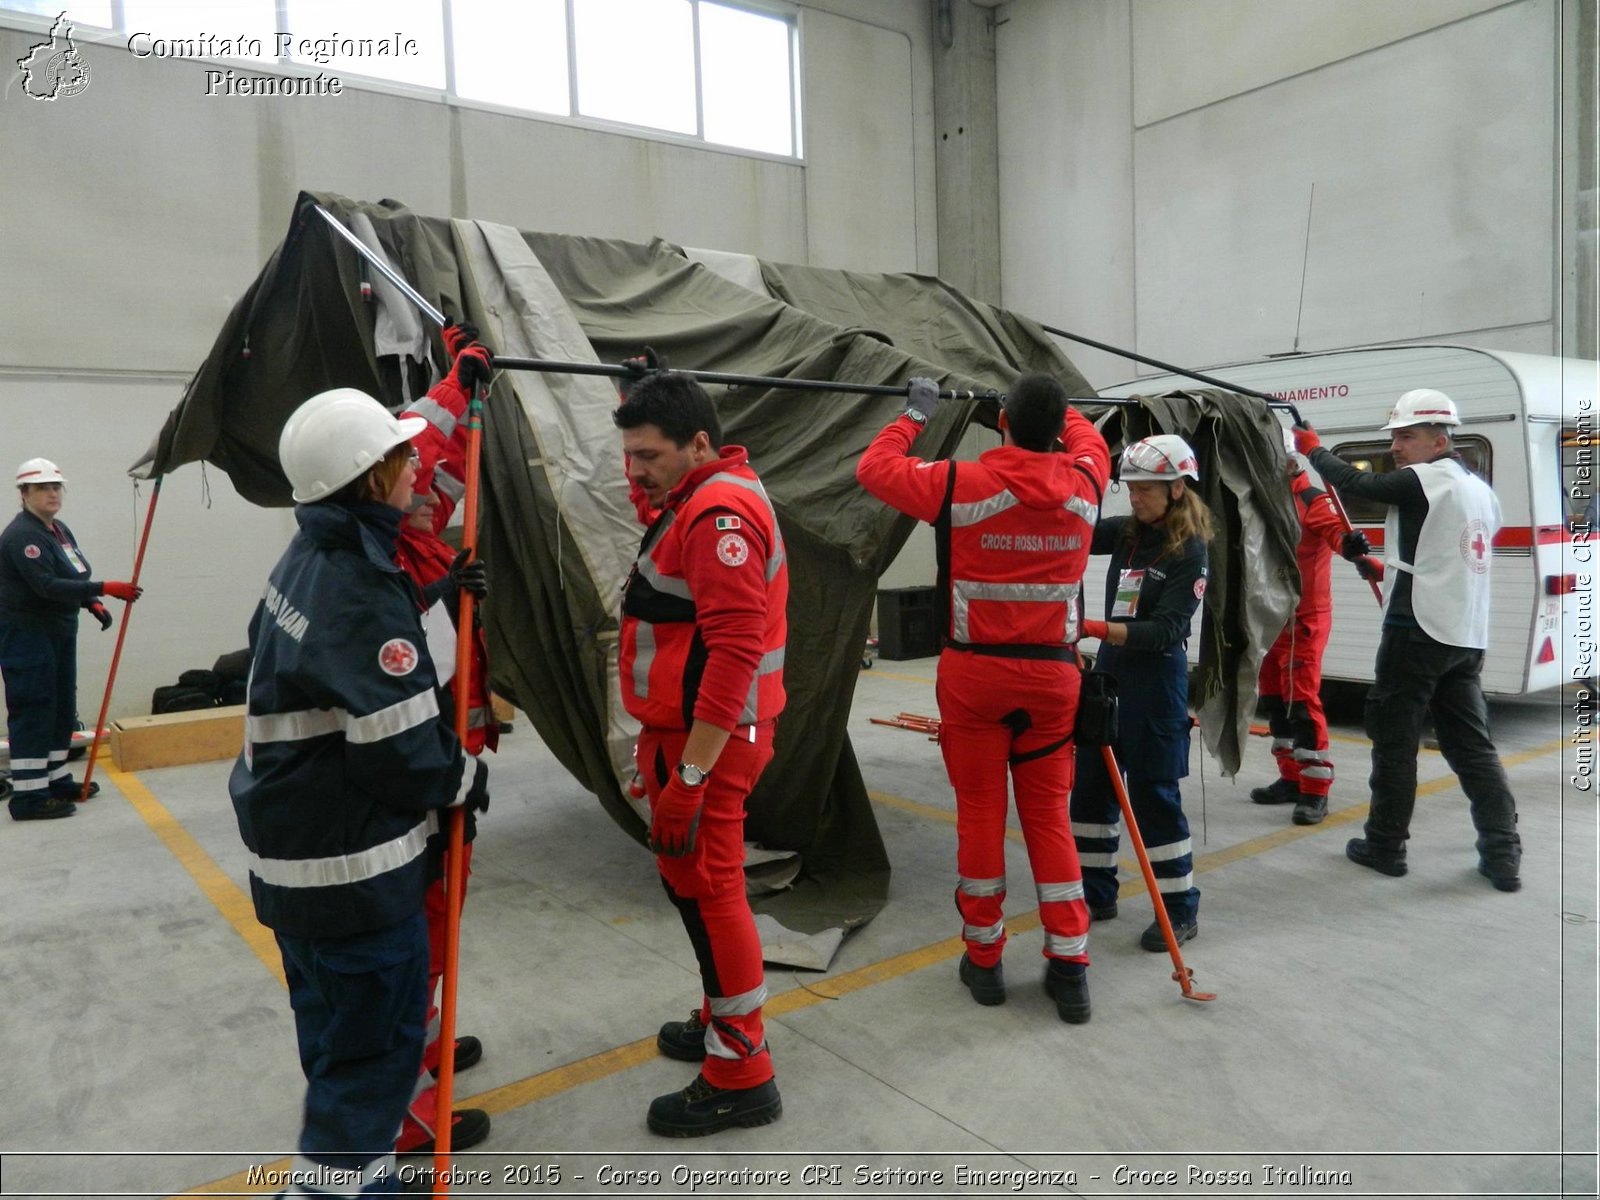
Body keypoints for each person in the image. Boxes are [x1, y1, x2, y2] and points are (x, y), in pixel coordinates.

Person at [229, 388, 489, 1197]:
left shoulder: (307, 561)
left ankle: (361, 1177)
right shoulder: (365, 589)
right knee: (371, 1064)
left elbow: (344, 665)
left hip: (296, 872)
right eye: (404, 456)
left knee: (338, 1047)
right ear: (373, 480)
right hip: (355, 881)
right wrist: (470, 779)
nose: (418, 466)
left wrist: (433, 601)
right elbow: (406, 754)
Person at [856, 374, 1110, 1023]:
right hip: (1053, 683)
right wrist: (1066, 412)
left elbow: (874, 468)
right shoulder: (1086, 484)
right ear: (1056, 429)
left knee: (979, 815)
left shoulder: (959, 483)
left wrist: (916, 414)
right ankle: (1071, 965)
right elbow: (1085, 438)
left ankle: (987, 960)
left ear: (999, 424)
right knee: (1050, 820)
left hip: (975, 682)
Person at [614, 369, 787, 1137]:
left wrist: (688, 777)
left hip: (708, 743)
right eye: (629, 455)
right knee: (695, 889)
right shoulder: (700, 494)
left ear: (699, 444)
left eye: (648, 455)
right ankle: (724, 1019)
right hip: (690, 737)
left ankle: (742, 1071)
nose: (636, 470)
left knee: (713, 891)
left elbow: (735, 650)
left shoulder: (718, 512)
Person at [1294, 388, 1521, 891]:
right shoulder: (1477, 488)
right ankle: (1502, 853)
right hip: (1463, 636)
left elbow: (1355, 480)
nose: (1397, 446)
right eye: (1395, 435)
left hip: (1416, 633)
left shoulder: (1427, 478)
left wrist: (1311, 448)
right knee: (1473, 749)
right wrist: (1381, 564)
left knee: (1394, 745)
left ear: (1440, 438)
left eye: (1407, 435)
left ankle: (1384, 846)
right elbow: (1440, 551)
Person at [391, 325, 495, 1157]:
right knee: (421, 922)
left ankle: (426, 1050)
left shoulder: (412, 537)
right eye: (411, 482)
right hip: (412, 792)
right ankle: (413, 1115)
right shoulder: (381, 561)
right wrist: (454, 386)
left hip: (437, 766)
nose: (430, 490)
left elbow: (445, 466)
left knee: (439, 913)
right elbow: (424, 441)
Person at [1071, 434, 1212, 951]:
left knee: (1153, 797)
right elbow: (1075, 530)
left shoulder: (1189, 551)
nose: (1135, 497)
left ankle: (1178, 909)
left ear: (1177, 488)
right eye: (1130, 487)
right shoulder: (1129, 533)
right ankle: (1095, 894)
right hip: (1109, 680)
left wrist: (1096, 627)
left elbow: (1168, 630)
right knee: (1090, 791)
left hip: (1155, 687)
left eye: (1146, 488)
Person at [0, 458, 141, 820]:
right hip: (28, 635)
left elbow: (71, 572)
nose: (52, 493)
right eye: (43, 487)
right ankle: (29, 796)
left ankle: (56, 777)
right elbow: (44, 585)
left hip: (58, 631)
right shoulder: (22, 536)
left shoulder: (57, 530)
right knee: (35, 706)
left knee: (62, 706)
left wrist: (89, 600)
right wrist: (103, 589)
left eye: (56, 486)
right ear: (25, 494)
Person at [1249, 428, 1350, 826]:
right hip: (1271, 616)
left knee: (1301, 703)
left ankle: (1315, 790)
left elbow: (1334, 530)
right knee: (1275, 701)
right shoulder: (1263, 501)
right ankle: (1290, 778)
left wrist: (1352, 547)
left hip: (1304, 619)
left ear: (1290, 463)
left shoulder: (1311, 498)